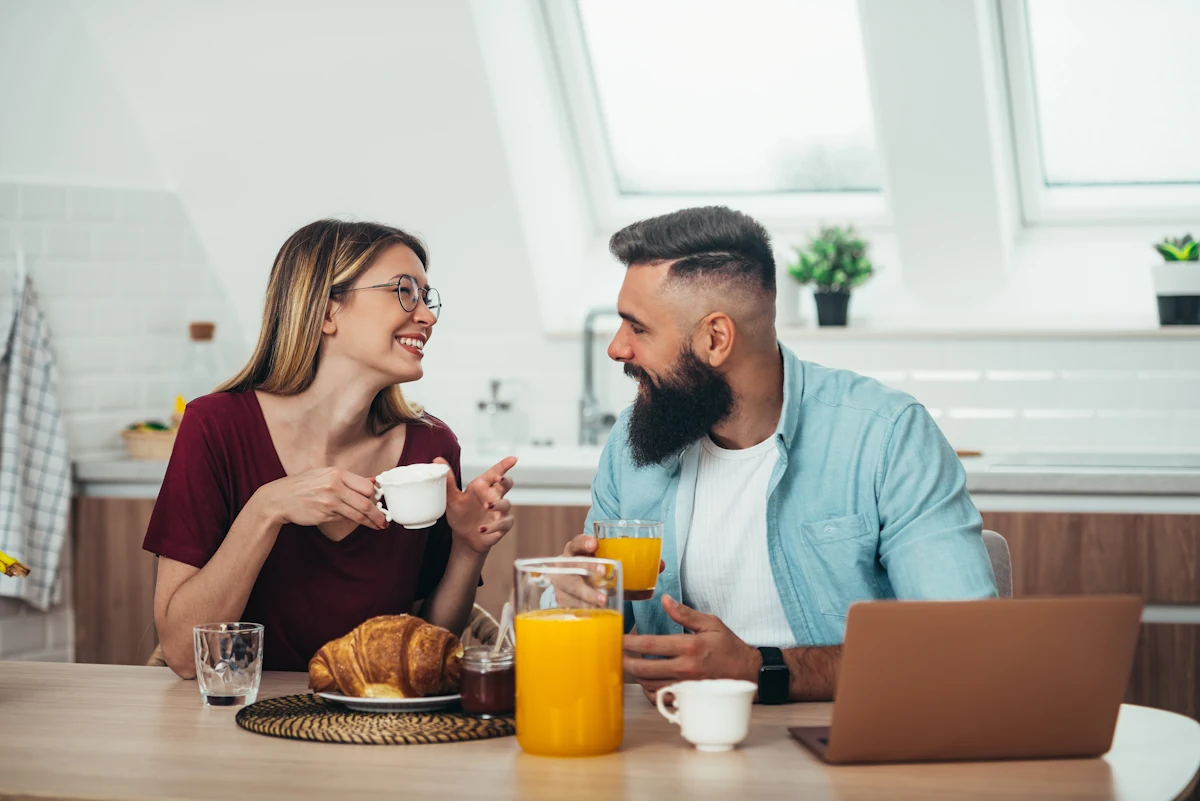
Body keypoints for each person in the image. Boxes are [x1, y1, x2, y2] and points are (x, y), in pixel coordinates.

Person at [563, 206, 997, 703]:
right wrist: (578, 600)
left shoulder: (886, 436)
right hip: (668, 744)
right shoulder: (632, 444)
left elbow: (963, 644)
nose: (617, 349)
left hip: (843, 743)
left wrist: (759, 668)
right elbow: (586, 637)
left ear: (715, 338)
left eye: (637, 328)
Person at [144, 220, 516, 677]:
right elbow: (184, 654)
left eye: (426, 297)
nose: (427, 316)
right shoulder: (215, 428)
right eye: (404, 292)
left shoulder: (431, 448)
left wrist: (466, 548)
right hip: (237, 728)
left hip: (379, 730)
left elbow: (426, 649)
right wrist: (267, 508)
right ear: (325, 311)